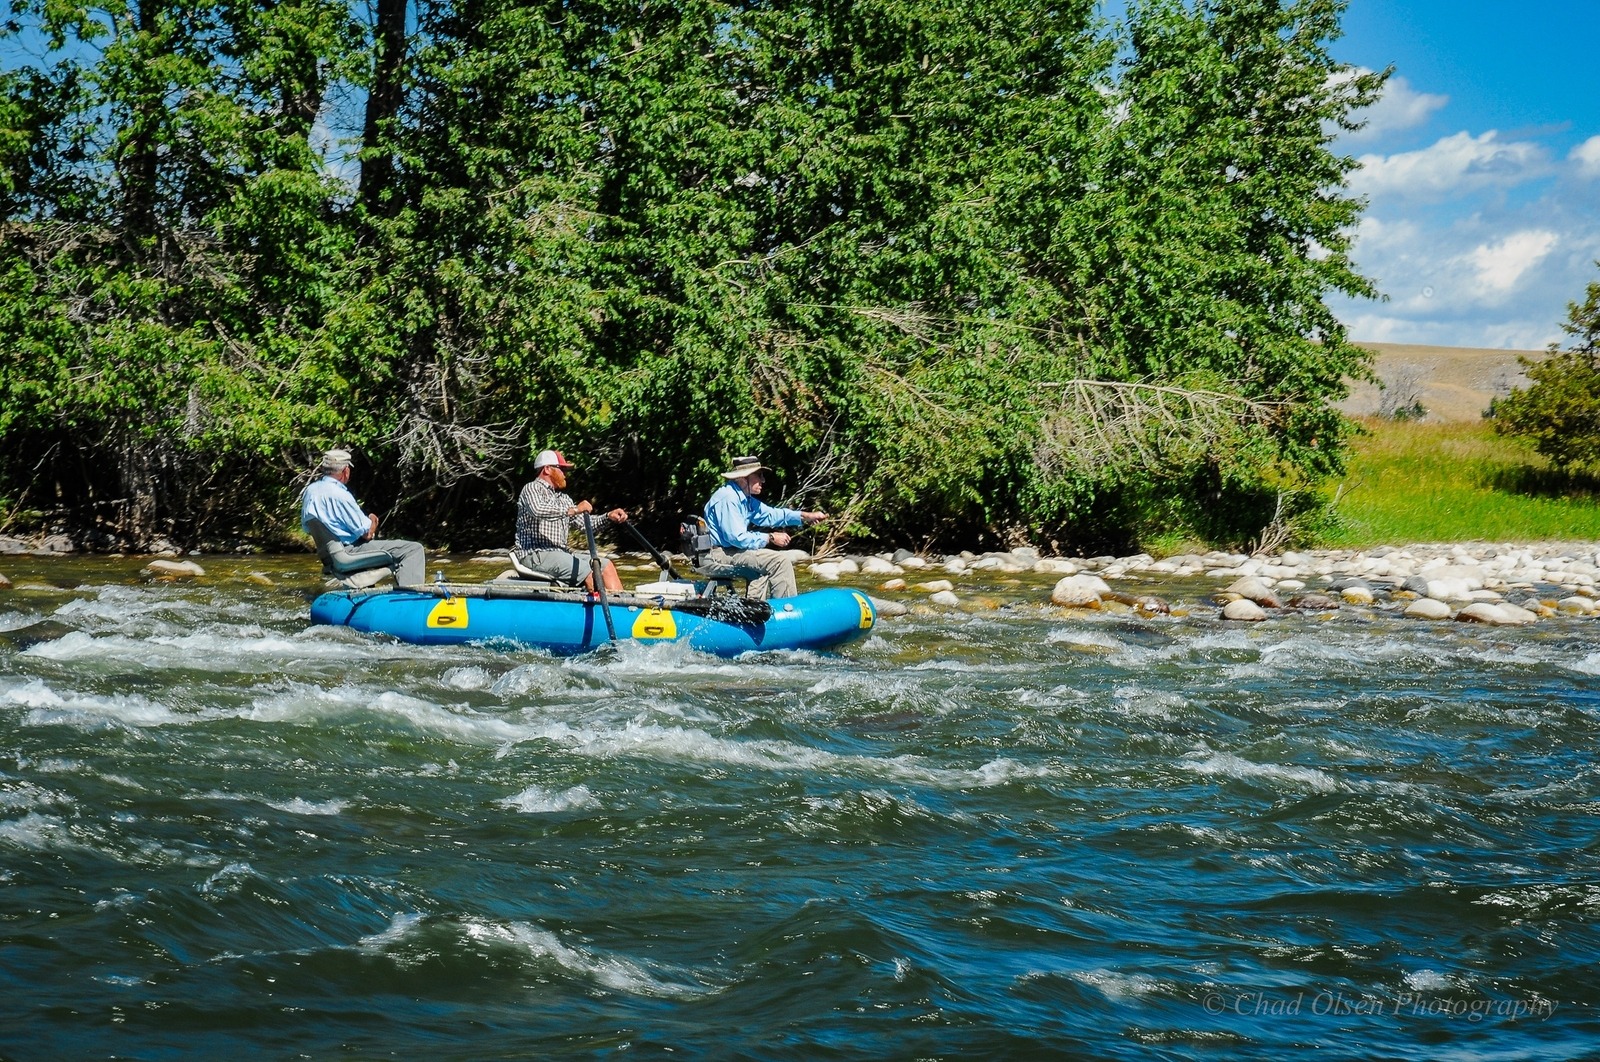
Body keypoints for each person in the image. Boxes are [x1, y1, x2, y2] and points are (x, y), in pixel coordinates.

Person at [700, 455, 826, 600]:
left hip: (727, 551)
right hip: (718, 554)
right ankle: (786, 610)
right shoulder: (729, 498)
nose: (763, 480)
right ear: (743, 478)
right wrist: (770, 537)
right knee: (779, 562)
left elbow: (771, 515)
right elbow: (737, 538)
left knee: (763, 565)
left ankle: (754, 609)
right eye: (759, 475)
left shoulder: (743, 498)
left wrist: (805, 516)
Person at [299, 449, 426, 587]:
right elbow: (367, 533)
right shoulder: (340, 494)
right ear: (345, 470)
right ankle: (412, 597)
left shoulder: (310, 491)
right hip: (347, 553)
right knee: (413, 549)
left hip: (329, 557)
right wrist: (373, 520)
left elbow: (307, 528)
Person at [514, 449, 628, 591]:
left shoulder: (564, 499)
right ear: (548, 469)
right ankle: (598, 608)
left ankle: (622, 605)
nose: (565, 475)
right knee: (587, 572)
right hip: (535, 554)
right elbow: (538, 510)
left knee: (605, 566)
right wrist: (574, 510)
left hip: (561, 555)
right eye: (562, 469)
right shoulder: (531, 488)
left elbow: (586, 525)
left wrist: (608, 517)